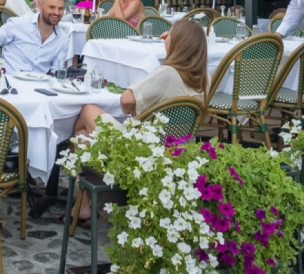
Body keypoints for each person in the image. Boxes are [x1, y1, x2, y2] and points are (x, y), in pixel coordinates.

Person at [70, 17, 208, 219]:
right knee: (82, 137)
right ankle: (82, 207)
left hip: (139, 151)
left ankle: (83, 202)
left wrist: (134, 111)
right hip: (174, 153)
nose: (165, 37)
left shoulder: (167, 73)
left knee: (87, 111)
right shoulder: (205, 78)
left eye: (170, 34)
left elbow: (125, 100)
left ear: (179, 43)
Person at [0, 0, 70, 73]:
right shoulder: (19, 24)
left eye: (60, 9)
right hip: (8, 82)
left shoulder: (63, 39)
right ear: (40, 5)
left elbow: (57, 72)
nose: (57, 13)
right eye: (52, 7)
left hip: (38, 86)